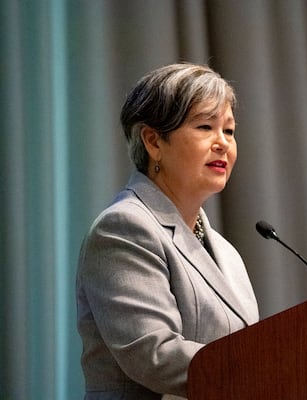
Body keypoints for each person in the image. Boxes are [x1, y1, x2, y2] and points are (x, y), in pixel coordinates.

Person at [76, 63, 259, 399]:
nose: (222, 143)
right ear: (153, 141)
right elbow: (154, 355)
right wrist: (267, 370)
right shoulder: (123, 229)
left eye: (229, 131)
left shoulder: (225, 252)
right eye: (206, 126)